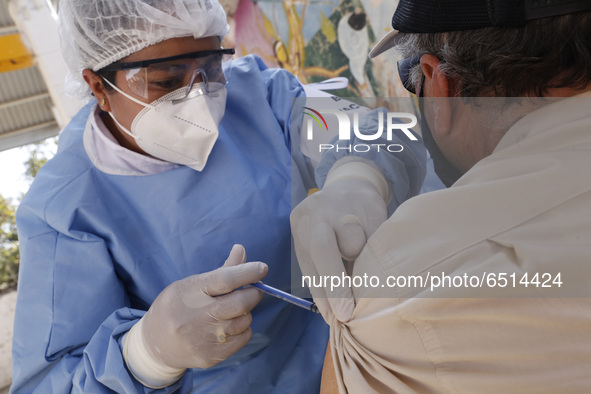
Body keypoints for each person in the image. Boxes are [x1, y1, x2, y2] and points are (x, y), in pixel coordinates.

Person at [10, 0, 427, 392]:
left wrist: (358, 177)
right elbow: (50, 382)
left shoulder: (259, 93)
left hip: (341, 346)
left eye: (211, 67)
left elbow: (374, 130)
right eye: (167, 80)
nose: (198, 96)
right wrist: (147, 353)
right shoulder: (64, 209)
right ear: (97, 85)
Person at [292, 0, 591, 392]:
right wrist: (360, 170)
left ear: (439, 83)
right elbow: (397, 127)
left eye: (412, 80)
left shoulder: (401, 287)